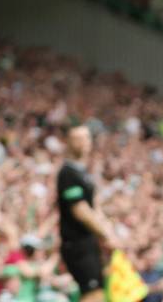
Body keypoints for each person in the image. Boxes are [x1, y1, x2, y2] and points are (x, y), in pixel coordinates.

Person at [56, 125, 118, 302]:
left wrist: (108, 230)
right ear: (68, 142)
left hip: (89, 242)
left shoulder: (83, 172)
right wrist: (106, 235)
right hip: (77, 243)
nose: (84, 142)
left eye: (86, 137)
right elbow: (80, 210)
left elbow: (94, 207)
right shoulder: (67, 173)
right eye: (78, 138)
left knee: (97, 292)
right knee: (93, 295)